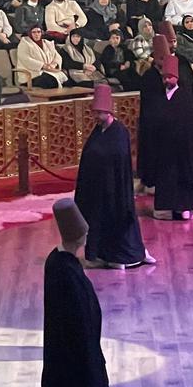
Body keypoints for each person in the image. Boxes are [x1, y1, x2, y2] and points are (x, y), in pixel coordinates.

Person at [36, 198, 120, 387]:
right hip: (74, 344)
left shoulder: (59, 262)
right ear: (79, 237)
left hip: (76, 341)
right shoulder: (64, 270)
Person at [74, 83, 154, 269]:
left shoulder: (119, 132)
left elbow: (116, 159)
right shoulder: (98, 131)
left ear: (107, 112)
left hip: (115, 191)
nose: (95, 116)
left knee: (117, 223)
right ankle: (100, 255)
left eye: (98, 113)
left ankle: (124, 256)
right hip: (98, 191)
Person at [145, 31, 193, 220]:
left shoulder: (183, 94)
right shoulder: (150, 81)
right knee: (166, 178)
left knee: (185, 178)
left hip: (184, 147)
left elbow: (190, 117)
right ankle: (165, 208)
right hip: (164, 147)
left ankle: (188, 207)